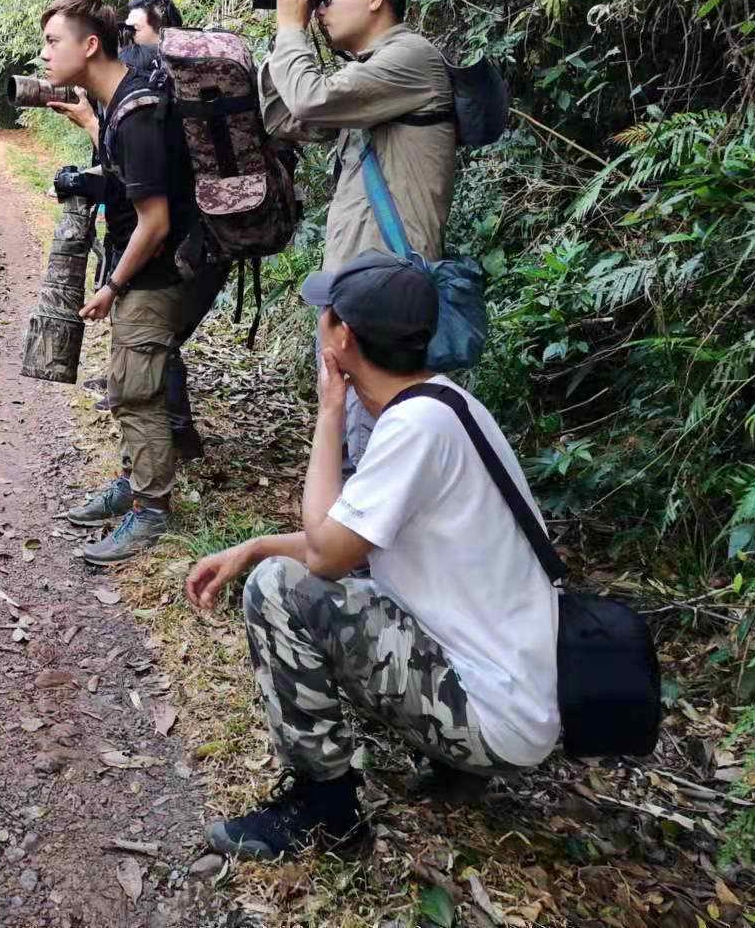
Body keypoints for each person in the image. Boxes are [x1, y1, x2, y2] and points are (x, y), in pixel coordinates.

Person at [183, 251, 559, 860]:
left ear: (344, 337)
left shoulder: (413, 431)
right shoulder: (444, 404)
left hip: (497, 714)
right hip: (516, 690)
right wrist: (251, 546)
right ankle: (455, 765)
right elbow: (347, 542)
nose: (319, 325)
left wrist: (330, 412)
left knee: (276, 589)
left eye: (324, 316)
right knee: (282, 570)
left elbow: (327, 557)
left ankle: (325, 810)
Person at [257, 0, 454, 470]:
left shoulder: (411, 57)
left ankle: (362, 553)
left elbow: (311, 101)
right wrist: (273, 46)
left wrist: (291, 29)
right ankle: (350, 545)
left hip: (390, 289)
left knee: (376, 446)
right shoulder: (369, 76)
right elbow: (289, 119)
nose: (320, 6)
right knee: (352, 439)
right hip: (359, 284)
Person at [38, 0, 196, 564]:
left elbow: (155, 221)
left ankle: (151, 511)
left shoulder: (137, 112)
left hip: (160, 269)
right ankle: (134, 484)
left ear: (90, 45)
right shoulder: (117, 107)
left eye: (54, 42)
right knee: (129, 381)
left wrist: (111, 286)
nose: (45, 54)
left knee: (135, 388)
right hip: (148, 267)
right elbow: (130, 188)